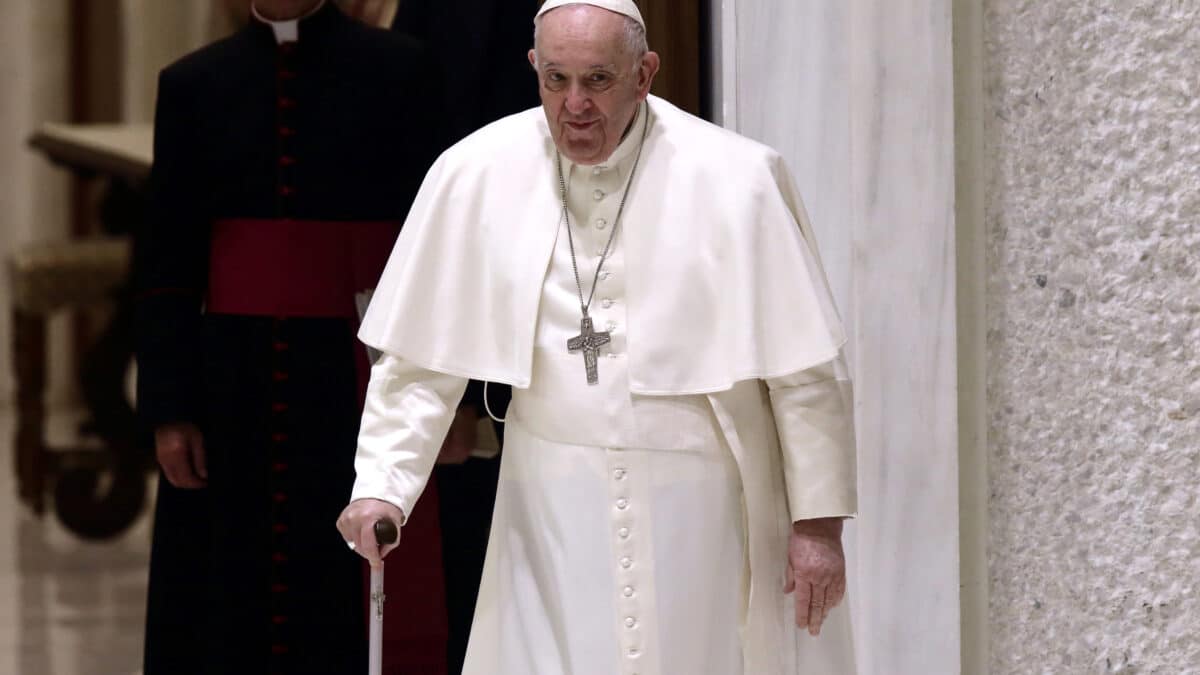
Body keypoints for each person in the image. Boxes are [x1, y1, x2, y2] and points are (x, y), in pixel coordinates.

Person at [337, 1, 859, 673]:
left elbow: (805, 370)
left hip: (701, 507)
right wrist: (382, 483)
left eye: (598, 80)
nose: (575, 104)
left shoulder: (738, 181)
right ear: (533, 68)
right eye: (556, 79)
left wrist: (817, 524)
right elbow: (417, 364)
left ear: (645, 74)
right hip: (549, 504)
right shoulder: (474, 174)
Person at [135, 1, 469, 672]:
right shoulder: (193, 84)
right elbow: (167, 264)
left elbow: (441, 247)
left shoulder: (401, 71)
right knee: (227, 593)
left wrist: (453, 400)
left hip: (356, 373)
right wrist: (171, 410)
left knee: (345, 587)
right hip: (232, 383)